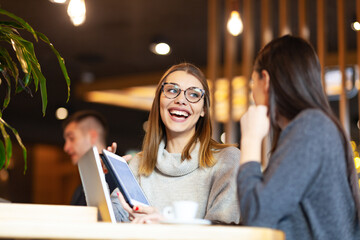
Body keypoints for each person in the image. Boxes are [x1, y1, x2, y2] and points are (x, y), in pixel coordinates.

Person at [238, 35, 360, 239]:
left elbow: (257, 216)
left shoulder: (310, 128)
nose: (252, 94)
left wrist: (250, 140)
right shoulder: (314, 127)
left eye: (253, 83)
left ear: (265, 81)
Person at [110, 63, 241, 224]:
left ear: (203, 110)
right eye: (172, 90)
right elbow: (109, 225)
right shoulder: (138, 163)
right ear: (159, 101)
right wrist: (107, 179)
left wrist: (165, 226)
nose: (181, 100)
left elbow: (226, 233)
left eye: (193, 94)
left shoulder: (227, 159)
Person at [63, 110, 116, 205]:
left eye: (71, 138)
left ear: (92, 136)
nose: (66, 147)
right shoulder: (80, 190)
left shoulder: (118, 182)